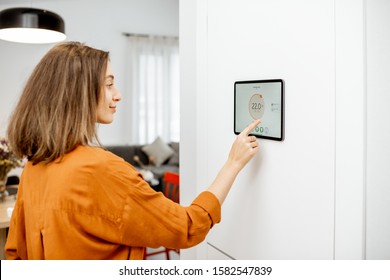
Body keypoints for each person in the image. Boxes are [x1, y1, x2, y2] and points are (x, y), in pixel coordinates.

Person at [4, 41, 260, 260]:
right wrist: (233, 163)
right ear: (78, 94)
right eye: (108, 84)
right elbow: (187, 227)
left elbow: (15, 253)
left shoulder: (33, 169)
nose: (118, 95)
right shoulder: (101, 170)